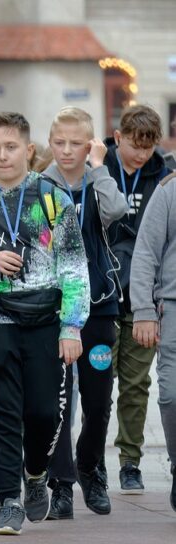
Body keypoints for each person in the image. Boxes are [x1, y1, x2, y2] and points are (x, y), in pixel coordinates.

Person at [0, 111, 90, 535]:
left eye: (10, 148)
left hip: (44, 319)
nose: (2, 157)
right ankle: (8, 500)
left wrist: (71, 326)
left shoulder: (52, 199)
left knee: (43, 412)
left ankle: (36, 473)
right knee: (3, 415)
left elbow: (75, 267)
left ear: (28, 150)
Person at [41, 106, 127, 519]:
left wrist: (99, 167)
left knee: (98, 398)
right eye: (60, 143)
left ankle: (90, 464)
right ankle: (61, 482)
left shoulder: (97, 180)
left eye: (77, 143)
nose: (67, 151)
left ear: (90, 144)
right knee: (58, 400)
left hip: (98, 306)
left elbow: (116, 212)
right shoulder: (41, 184)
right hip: (53, 308)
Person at [105, 105, 171, 493]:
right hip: (101, 295)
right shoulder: (101, 169)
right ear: (118, 138)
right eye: (134, 146)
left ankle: (130, 460)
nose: (141, 155)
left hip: (141, 298)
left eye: (148, 148)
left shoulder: (161, 174)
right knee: (95, 385)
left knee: (135, 385)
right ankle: (91, 456)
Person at [128, 171, 176, 514]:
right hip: (172, 308)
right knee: (172, 393)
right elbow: (145, 252)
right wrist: (144, 309)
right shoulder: (169, 190)